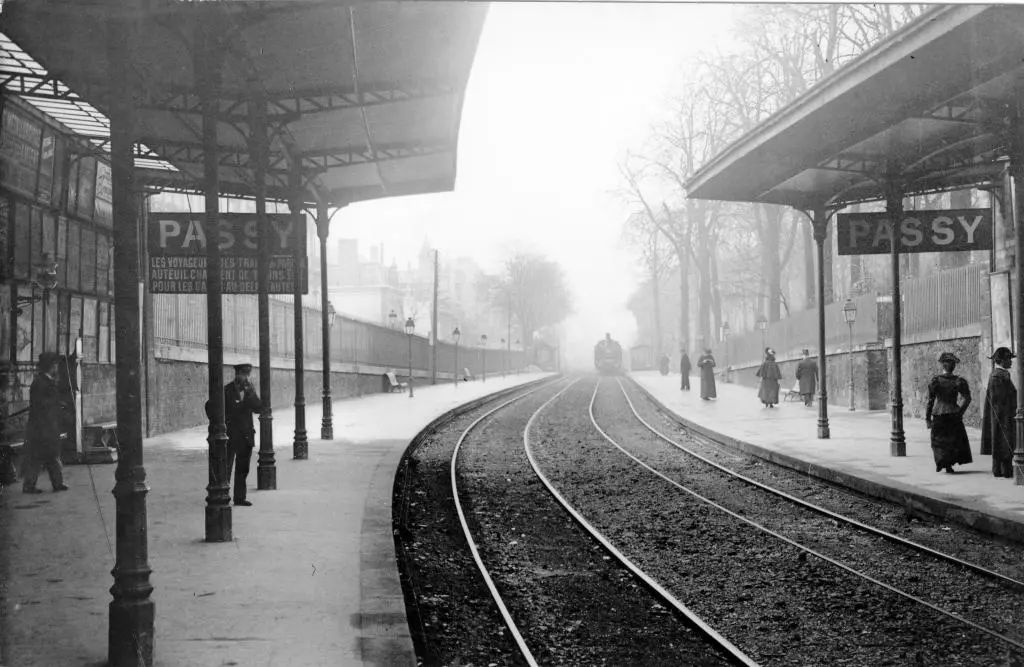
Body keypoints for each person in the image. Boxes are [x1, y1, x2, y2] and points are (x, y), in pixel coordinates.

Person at [208, 363, 263, 506]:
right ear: (236, 374)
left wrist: (250, 394)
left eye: (247, 375)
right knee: (227, 467)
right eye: (243, 374)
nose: (245, 378)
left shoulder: (250, 390)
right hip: (231, 435)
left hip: (246, 436)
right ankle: (223, 494)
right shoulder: (226, 390)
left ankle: (240, 498)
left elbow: (258, 408)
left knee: (243, 469)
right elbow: (209, 406)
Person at [22, 352, 69, 494]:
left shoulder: (47, 381)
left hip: (48, 425)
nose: (57, 367)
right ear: (50, 366)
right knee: (37, 457)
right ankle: (29, 486)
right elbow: (40, 405)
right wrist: (56, 403)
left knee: (52, 456)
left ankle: (57, 483)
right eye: (55, 365)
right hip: (41, 427)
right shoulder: (40, 382)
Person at [925, 351, 973, 474]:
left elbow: (930, 401)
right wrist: (960, 411)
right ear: (954, 366)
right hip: (953, 413)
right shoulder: (958, 380)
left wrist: (927, 418)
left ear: (942, 366)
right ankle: (948, 464)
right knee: (953, 439)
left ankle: (944, 463)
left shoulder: (936, 380)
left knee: (939, 440)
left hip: (939, 413)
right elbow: (967, 398)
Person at [981, 347, 1016, 478]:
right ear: (1001, 361)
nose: (1011, 362)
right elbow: (998, 398)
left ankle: (1002, 469)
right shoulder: (997, 376)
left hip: (1004, 413)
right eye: (1009, 359)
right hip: (1001, 414)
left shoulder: (1002, 374)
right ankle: (1002, 470)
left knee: (1002, 441)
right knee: (1002, 440)